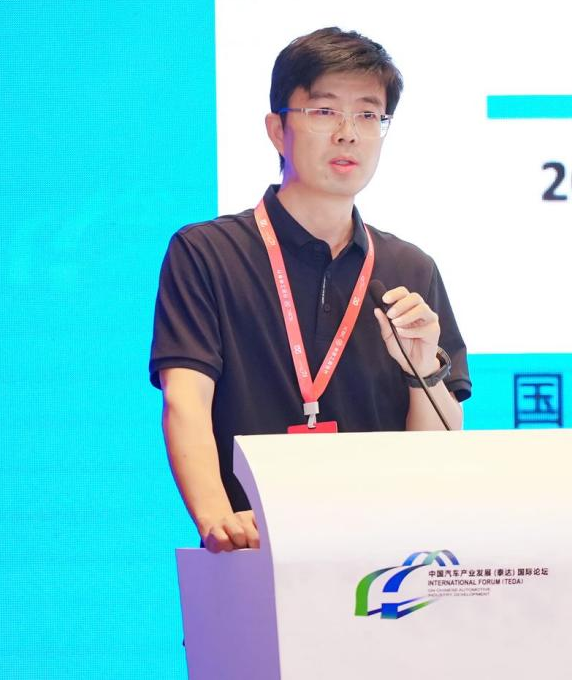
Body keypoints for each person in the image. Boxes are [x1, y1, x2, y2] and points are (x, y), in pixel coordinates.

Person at [149, 27, 471, 553]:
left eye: (368, 115)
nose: (348, 133)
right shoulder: (207, 253)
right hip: (252, 549)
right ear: (278, 130)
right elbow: (185, 401)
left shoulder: (409, 269)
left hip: (385, 559)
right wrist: (218, 521)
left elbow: (439, 447)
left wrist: (425, 372)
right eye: (325, 111)